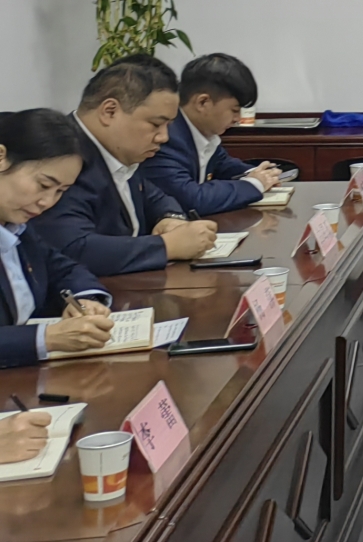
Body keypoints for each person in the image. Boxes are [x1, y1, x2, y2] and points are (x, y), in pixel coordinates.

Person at [31, 56, 217, 274]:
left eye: (168, 125)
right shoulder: (61, 158)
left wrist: (170, 219)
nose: (164, 137)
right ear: (109, 111)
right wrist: (168, 246)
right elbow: (74, 248)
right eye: (156, 124)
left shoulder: (118, 152)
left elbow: (154, 196)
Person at [0, 109, 114, 374]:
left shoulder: (17, 226)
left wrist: (84, 300)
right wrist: (46, 338)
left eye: (60, 191)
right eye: (43, 185)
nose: (47, 202)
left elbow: (62, 268)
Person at [139, 53, 283, 216]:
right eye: (234, 110)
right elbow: (192, 200)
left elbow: (223, 165)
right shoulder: (165, 138)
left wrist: (260, 174)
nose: (237, 119)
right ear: (203, 102)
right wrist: (254, 184)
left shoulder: (203, 132)